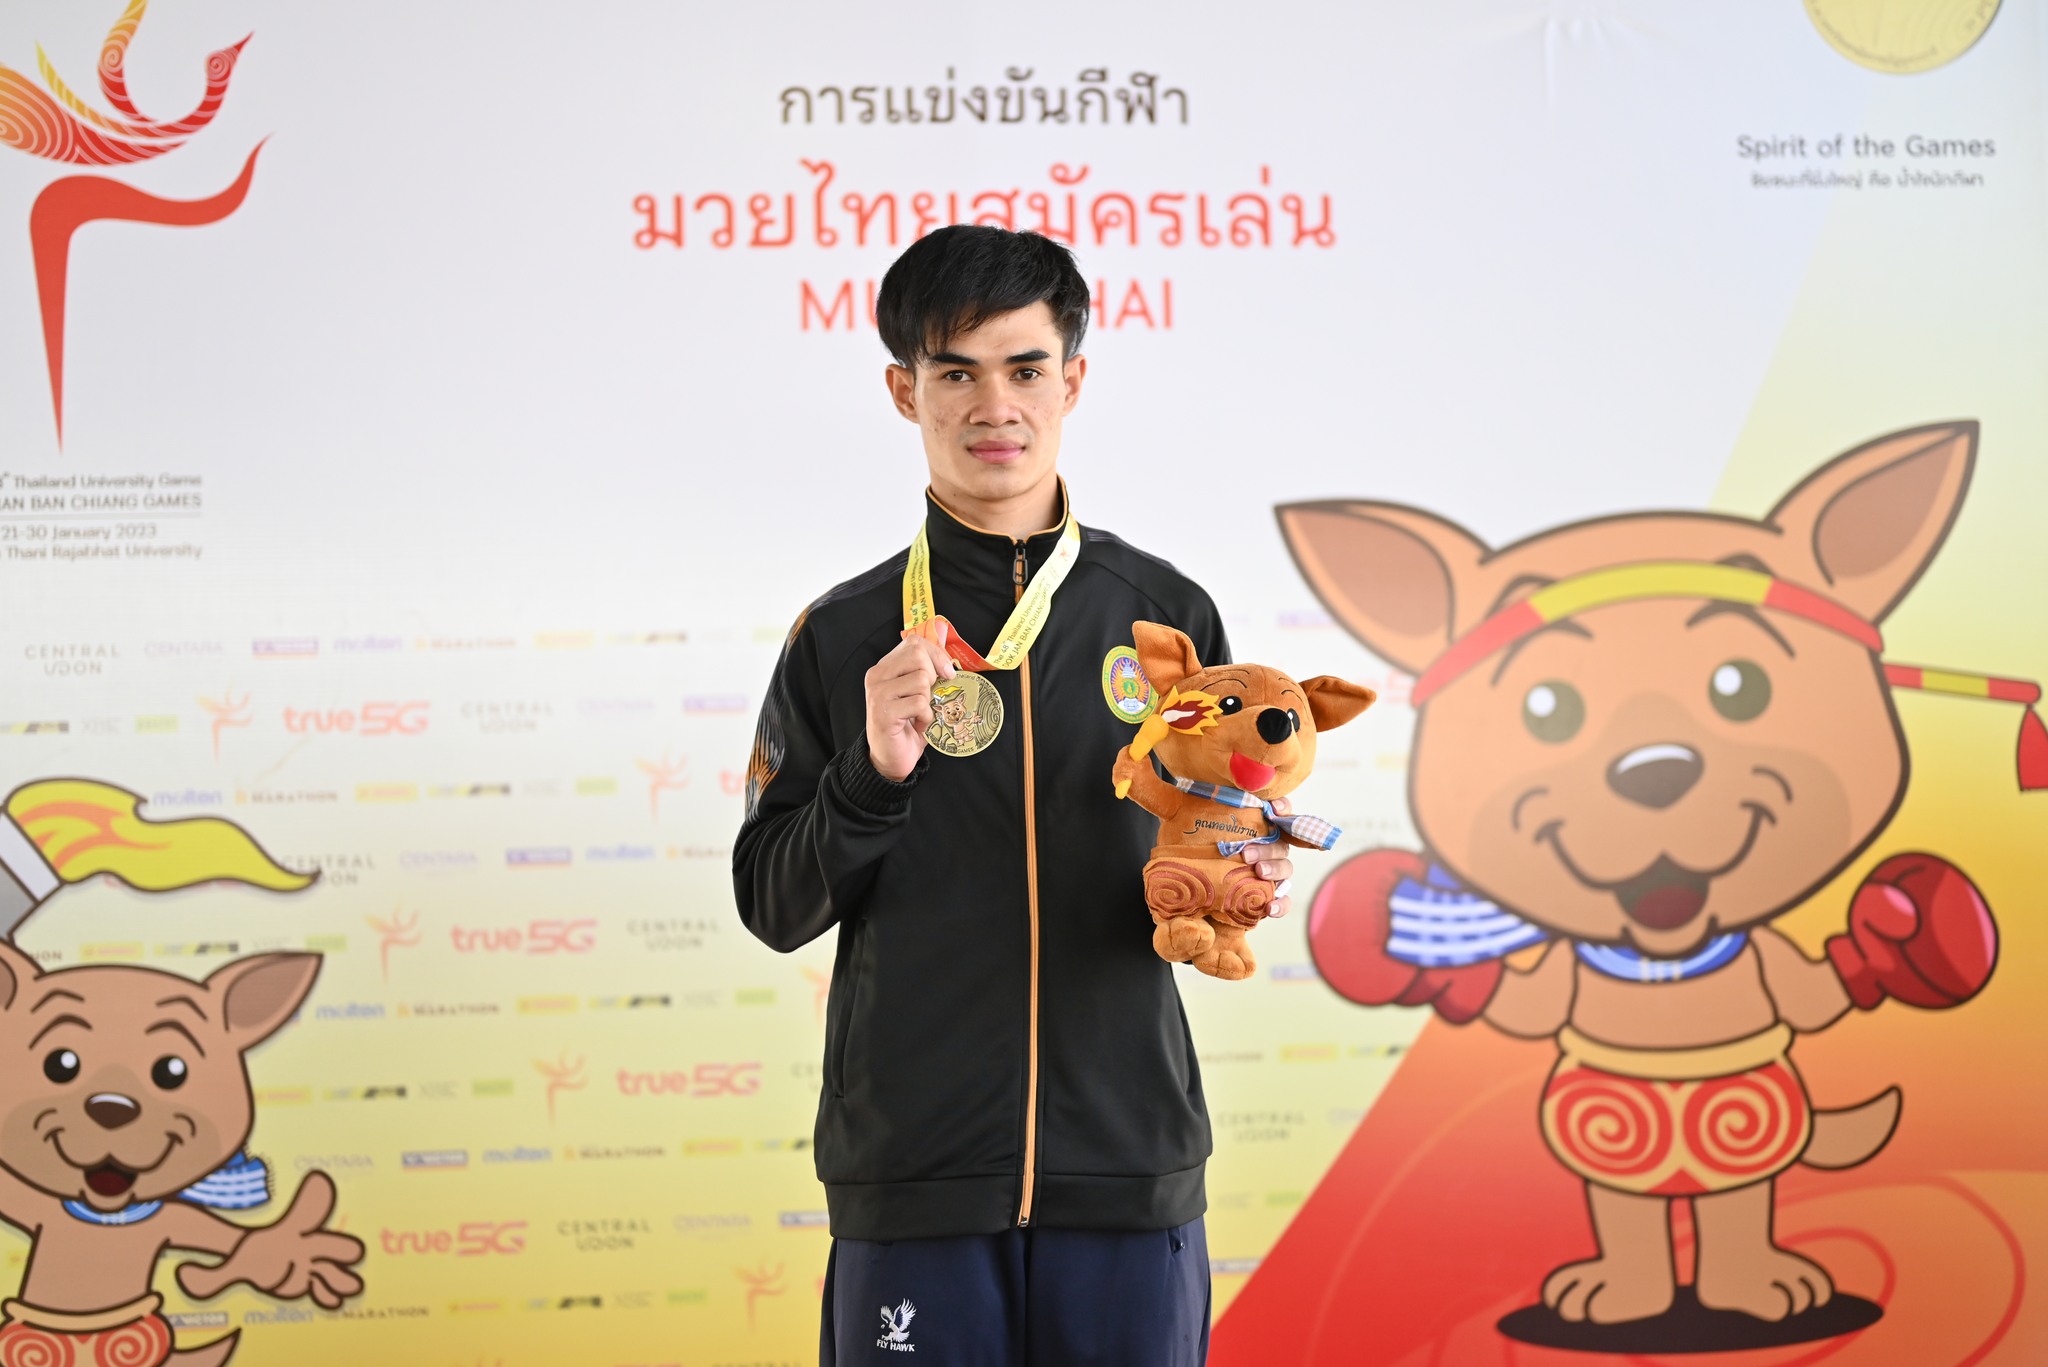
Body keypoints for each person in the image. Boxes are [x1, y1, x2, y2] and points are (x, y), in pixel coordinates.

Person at [733, 225, 1294, 1367]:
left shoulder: (1167, 615)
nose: (994, 404)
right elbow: (774, 905)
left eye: (1024, 368)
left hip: (1127, 1159)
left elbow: (1222, 827)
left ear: (1071, 380)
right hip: (915, 1171)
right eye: (956, 372)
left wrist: (1241, 871)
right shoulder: (843, 633)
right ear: (905, 391)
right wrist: (872, 772)